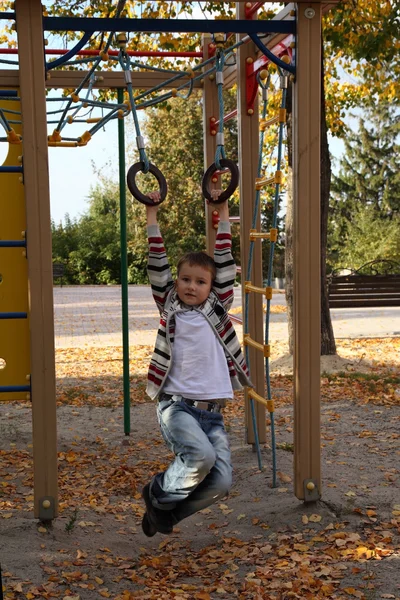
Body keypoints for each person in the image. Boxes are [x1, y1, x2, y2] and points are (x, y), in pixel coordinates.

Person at [141, 190, 252, 537]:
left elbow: (223, 259)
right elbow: (157, 262)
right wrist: (152, 216)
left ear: (212, 287)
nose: (192, 286)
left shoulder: (216, 307)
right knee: (200, 458)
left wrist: (222, 214)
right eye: (186, 279)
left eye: (201, 282)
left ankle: (165, 515)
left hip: (212, 413)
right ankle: (157, 492)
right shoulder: (170, 307)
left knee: (221, 482)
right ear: (176, 283)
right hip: (177, 406)